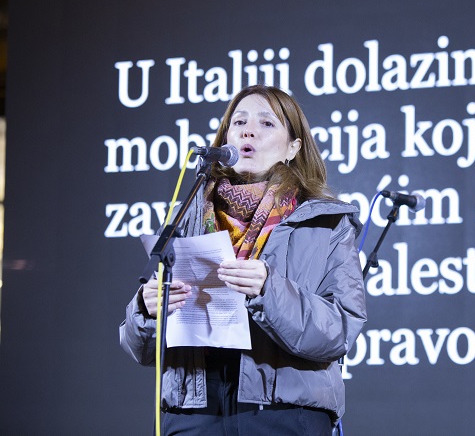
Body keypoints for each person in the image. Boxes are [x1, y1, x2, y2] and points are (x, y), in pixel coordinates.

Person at [119, 84, 367, 435]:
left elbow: (340, 330)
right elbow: (140, 349)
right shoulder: (186, 217)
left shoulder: (326, 224)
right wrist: (146, 311)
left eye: (266, 123)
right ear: (226, 140)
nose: (249, 131)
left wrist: (268, 290)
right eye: (239, 122)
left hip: (282, 414)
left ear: (293, 147)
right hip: (193, 412)